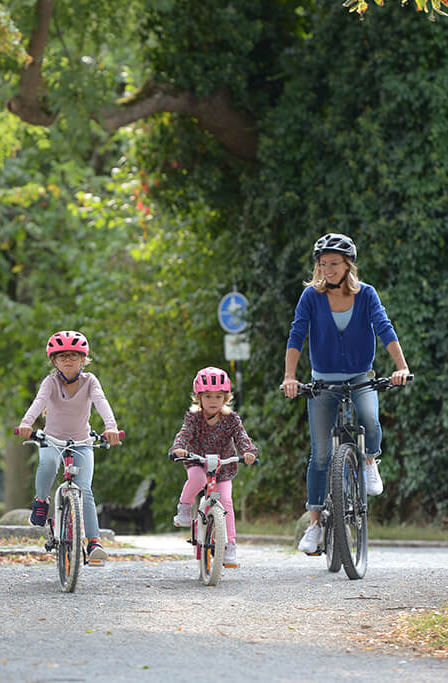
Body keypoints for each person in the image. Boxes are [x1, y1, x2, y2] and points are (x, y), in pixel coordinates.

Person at [280, 233, 411, 555]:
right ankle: (314, 525)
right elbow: (297, 334)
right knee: (321, 454)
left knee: (369, 416)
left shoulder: (366, 295)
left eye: (334, 264)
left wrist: (401, 367)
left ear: (348, 265)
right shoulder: (310, 297)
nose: (327, 270)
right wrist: (290, 377)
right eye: (322, 264)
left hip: (359, 374)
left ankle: (369, 461)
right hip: (322, 381)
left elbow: (384, 328)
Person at [16, 330, 121, 565]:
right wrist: (26, 423)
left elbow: (101, 402)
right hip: (52, 439)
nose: (68, 360)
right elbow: (39, 401)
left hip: (82, 442)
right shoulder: (51, 381)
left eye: (74, 355)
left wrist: (111, 427)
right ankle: (42, 501)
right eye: (62, 356)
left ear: (83, 359)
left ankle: (93, 542)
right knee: (48, 463)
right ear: (54, 361)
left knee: (85, 489)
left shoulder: (90, 381)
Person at [169, 367, 259, 569]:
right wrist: (179, 448)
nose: (213, 401)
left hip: (223, 465)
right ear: (198, 397)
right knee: (198, 479)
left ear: (226, 398)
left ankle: (230, 545)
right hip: (197, 460)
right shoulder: (193, 418)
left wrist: (248, 452)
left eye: (218, 396)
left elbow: (242, 437)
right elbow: (184, 434)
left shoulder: (231, 419)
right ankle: (184, 507)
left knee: (226, 500)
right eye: (208, 396)